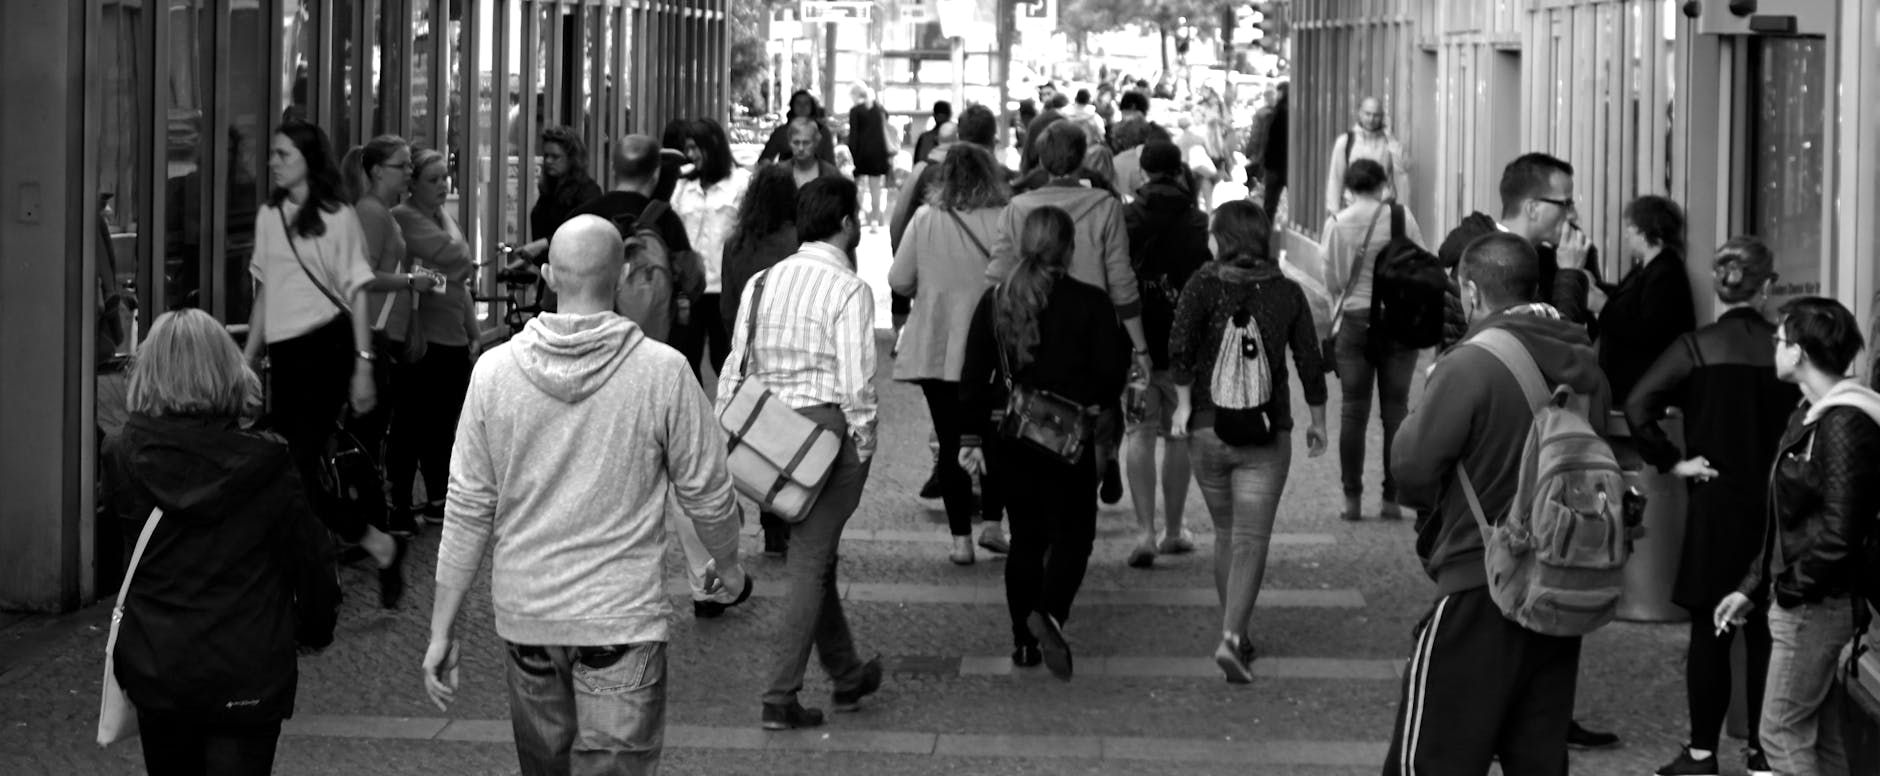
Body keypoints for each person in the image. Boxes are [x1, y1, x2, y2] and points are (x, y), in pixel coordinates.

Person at [423, 215, 750, 775]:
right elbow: (709, 495)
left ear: (548, 274)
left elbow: (468, 506)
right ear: (621, 276)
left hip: (529, 618)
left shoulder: (494, 373)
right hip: (621, 620)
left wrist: (441, 629)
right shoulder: (663, 373)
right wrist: (729, 565)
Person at [1383, 232, 1612, 775]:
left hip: (1480, 579)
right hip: (1558, 587)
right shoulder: (1584, 364)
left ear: (1470, 291)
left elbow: (1411, 471)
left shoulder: (1471, 365)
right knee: (1536, 757)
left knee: (1431, 757)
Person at [102, 309, 340, 776]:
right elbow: (311, 563)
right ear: (227, 371)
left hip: (159, 670)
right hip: (247, 674)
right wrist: (312, 631)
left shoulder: (121, 455)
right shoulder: (268, 462)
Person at [716, 176, 883, 730]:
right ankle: (779, 696)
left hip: (767, 433)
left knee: (817, 558)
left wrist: (725, 432)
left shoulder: (762, 281)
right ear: (845, 223)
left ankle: (846, 672)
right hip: (824, 436)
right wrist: (863, 443)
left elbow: (735, 364)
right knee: (810, 563)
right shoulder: (850, 290)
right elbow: (856, 384)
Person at [1626, 237, 1793, 776]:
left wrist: (1674, 462)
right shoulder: (1787, 348)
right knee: (1769, 630)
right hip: (1777, 503)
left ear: (1721, 289)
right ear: (1766, 287)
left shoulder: (1696, 346)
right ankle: (1763, 754)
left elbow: (1638, 405)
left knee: (1711, 629)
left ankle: (1702, 753)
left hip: (1716, 500)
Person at [959, 205, 1130, 680]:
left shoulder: (996, 300)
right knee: (1075, 534)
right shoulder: (1092, 302)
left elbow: (973, 378)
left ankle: (1023, 641)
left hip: (1011, 438)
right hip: (1069, 438)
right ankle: (1050, 612)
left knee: (1026, 539)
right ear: (1070, 249)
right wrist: (1093, 402)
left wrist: (970, 437)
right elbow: (1110, 374)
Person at [241, 120, 405, 608]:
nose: (273, 162)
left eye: (284, 154)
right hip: (286, 356)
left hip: (329, 350)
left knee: (292, 466)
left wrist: (361, 365)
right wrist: (248, 357)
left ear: (309, 161)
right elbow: (266, 290)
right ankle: (377, 545)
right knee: (289, 471)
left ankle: (305, 585)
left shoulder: (338, 216)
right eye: (273, 153)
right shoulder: (269, 215)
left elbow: (356, 291)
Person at [1714, 297, 1880, 776]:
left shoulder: (1843, 421)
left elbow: (1841, 531)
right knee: (1821, 740)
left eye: (1780, 340)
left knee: (1781, 735)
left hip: (1815, 605)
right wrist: (1752, 588)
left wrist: (1788, 590)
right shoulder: (1813, 414)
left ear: (1800, 353)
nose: (1775, 348)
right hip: (1812, 600)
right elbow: (1789, 520)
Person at [1167, 200, 1328, 682]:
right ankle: (1233, 636)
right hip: (1265, 432)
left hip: (1206, 430)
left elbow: (1179, 346)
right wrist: (1317, 419)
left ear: (1224, 238)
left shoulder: (1201, 284)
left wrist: (1180, 404)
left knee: (1225, 534)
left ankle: (1233, 628)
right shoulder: (1287, 293)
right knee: (1251, 539)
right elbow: (1309, 361)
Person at [989, 121, 1154, 507]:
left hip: (1029, 320)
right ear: (1082, 158)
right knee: (1095, 419)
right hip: (1092, 327)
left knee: (1031, 412)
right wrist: (1140, 347)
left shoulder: (1018, 208)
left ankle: (1040, 507)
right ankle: (1084, 493)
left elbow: (997, 275)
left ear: (1041, 159)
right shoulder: (1106, 207)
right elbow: (1121, 277)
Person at [890, 144, 1014, 566]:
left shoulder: (925, 220)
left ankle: (960, 539)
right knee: (997, 438)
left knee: (949, 443)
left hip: (938, 348)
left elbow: (899, 278)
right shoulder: (1006, 219)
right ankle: (995, 525)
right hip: (995, 352)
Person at [340, 134, 440, 535]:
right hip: (376, 332)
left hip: (387, 329)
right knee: (372, 429)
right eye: (403, 166)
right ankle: (365, 514)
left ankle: (369, 511)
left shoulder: (380, 211)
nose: (409, 173)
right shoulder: (371, 212)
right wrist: (408, 281)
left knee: (380, 426)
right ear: (379, 171)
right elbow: (361, 277)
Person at [1320, 158, 1428, 522]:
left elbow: (1331, 279)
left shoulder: (1336, 224)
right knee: (1395, 410)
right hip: (1398, 321)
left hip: (1354, 319)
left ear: (1349, 189)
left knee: (1353, 410)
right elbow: (1422, 261)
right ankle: (1391, 499)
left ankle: (1352, 500)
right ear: (1384, 185)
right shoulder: (1401, 218)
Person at [1120, 140, 1210, 569]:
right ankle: (1174, 530)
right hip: (1182, 350)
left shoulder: (1128, 217)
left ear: (1143, 172)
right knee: (1178, 436)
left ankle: (1143, 531)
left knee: (1137, 433)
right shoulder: (1196, 221)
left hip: (1137, 345)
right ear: (1178, 172)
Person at [388, 147, 481, 529]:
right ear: (412, 184)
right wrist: (452, 271)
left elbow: (458, 276)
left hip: (452, 335)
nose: (444, 185)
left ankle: (437, 498)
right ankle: (400, 504)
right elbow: (456, 258)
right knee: (412, 423)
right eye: (434, 179)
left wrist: (474, 330)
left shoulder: (440, 217)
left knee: (443, 425)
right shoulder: (404, 218)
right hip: (424, 338)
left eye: (446, 177)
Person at [718, 163, 802, 560]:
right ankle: (784, 519)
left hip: (752, 353)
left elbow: (727, 306)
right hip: (792, 352)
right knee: (790, 438)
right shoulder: (798, 241)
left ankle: (769, 523)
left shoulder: (736, 244)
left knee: (759, 438)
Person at [1438, 152, 1595, 345]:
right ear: (1532, 209)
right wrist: (1571, 275)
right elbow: (1554, 351)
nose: (1573, 215)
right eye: (1566, 204)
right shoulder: (1484, 263)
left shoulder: (1544, 257)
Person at [671, 117, 752, 379]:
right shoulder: (682, 184)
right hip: (690, 289)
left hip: (725, 289)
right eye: (688, 148)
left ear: (713, 146)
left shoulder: (741, 183)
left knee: (726, 360)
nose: (690, 155)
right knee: (686, 359)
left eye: (696, 148)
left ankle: (732, 416)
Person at [1595, 195, 1696, 402]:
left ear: (1645, 230)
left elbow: (1648, 330)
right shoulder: (1649, 268)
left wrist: (1602, 306)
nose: (1626, 235)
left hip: (1640, 386)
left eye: (1630, 227)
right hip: (1633, 384)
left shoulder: (1666, 273)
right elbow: (1630, 298)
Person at [515, 126, 604, 264]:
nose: (548, 161)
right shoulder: (549, 190)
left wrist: (541, 244)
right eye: (546, 156)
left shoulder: (587, 191)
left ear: (572, 159)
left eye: (555, 157)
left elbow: (586, 235)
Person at [1323, 97, 1410, 219]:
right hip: (1352, 208)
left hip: (1383, 209)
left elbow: (1403, 168)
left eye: (1376, 115)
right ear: (1359, 113)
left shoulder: (1388, 142)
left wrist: (1391, 138)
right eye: (1367, 114)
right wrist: (1334, 211)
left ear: (1383, 117)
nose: (1371, 119)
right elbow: (1336, 177)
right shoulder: (1346, 141)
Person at [846, 84, 895, 229]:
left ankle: (858, 216)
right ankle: (874, 220)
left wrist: (851, 155)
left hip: (861, 154)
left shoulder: (855, 111)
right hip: (878, 154)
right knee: (875, 188)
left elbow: (853, 136)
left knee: (858, 186)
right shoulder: (878, 109)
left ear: (855, 95)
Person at [757, 89, 838, 166]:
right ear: (793, 106)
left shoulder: (823, 132)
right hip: (787, 178)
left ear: (812, 107)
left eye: (806, 103)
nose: (802, 107)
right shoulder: (781, 133)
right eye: (798, 103)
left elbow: (830, 163)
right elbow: (764, 161)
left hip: (817, 178)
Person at [782, 118, 847, 189]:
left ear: (816, 143)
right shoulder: (778, 174)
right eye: (796, 143)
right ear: (789, 143)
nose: (801, 148)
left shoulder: (831, 174)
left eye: (806, 143)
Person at [1259, 84, 1289, 219]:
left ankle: (1265, 235)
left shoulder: (1273, 114)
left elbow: (1266, 140)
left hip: (1273, 165)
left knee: (1269, 205)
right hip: (1289, 165)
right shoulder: (1293, 114)